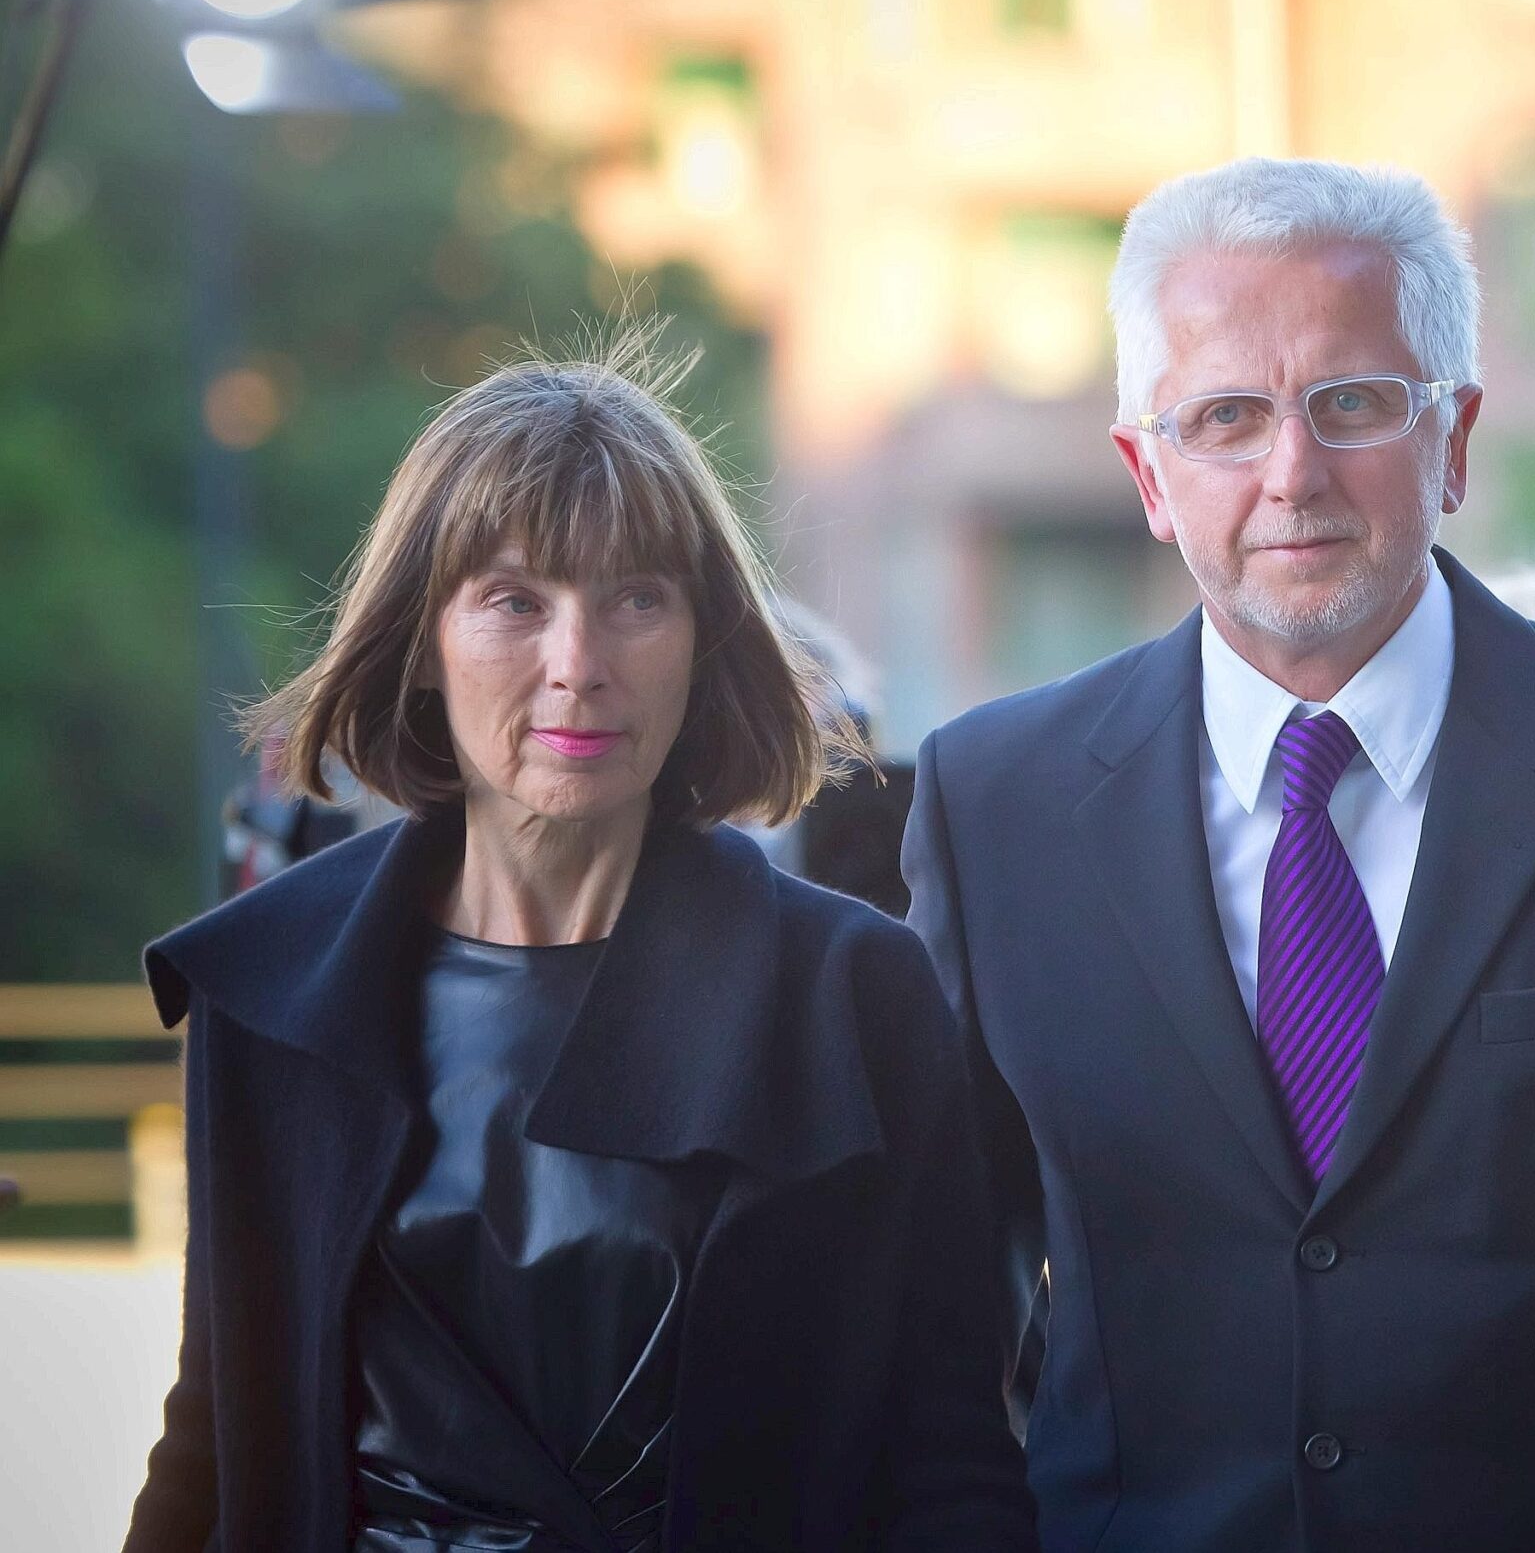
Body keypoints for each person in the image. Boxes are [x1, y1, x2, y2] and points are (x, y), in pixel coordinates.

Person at [902, 157, 1535, 1553]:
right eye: (1226, 416)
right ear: (1148, 475)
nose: (1291, 472)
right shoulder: (994, 804)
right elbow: (927, 1334)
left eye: (1352, 403)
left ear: (1452, 438)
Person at [126, 342, 1036, 1553]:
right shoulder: (271, 989)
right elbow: (215, 1431)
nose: (578, 665)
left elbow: (951, 1453)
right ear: (424, 640)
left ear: (702, 640)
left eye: (636, 598)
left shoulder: (851, 991)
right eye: (515, 600)